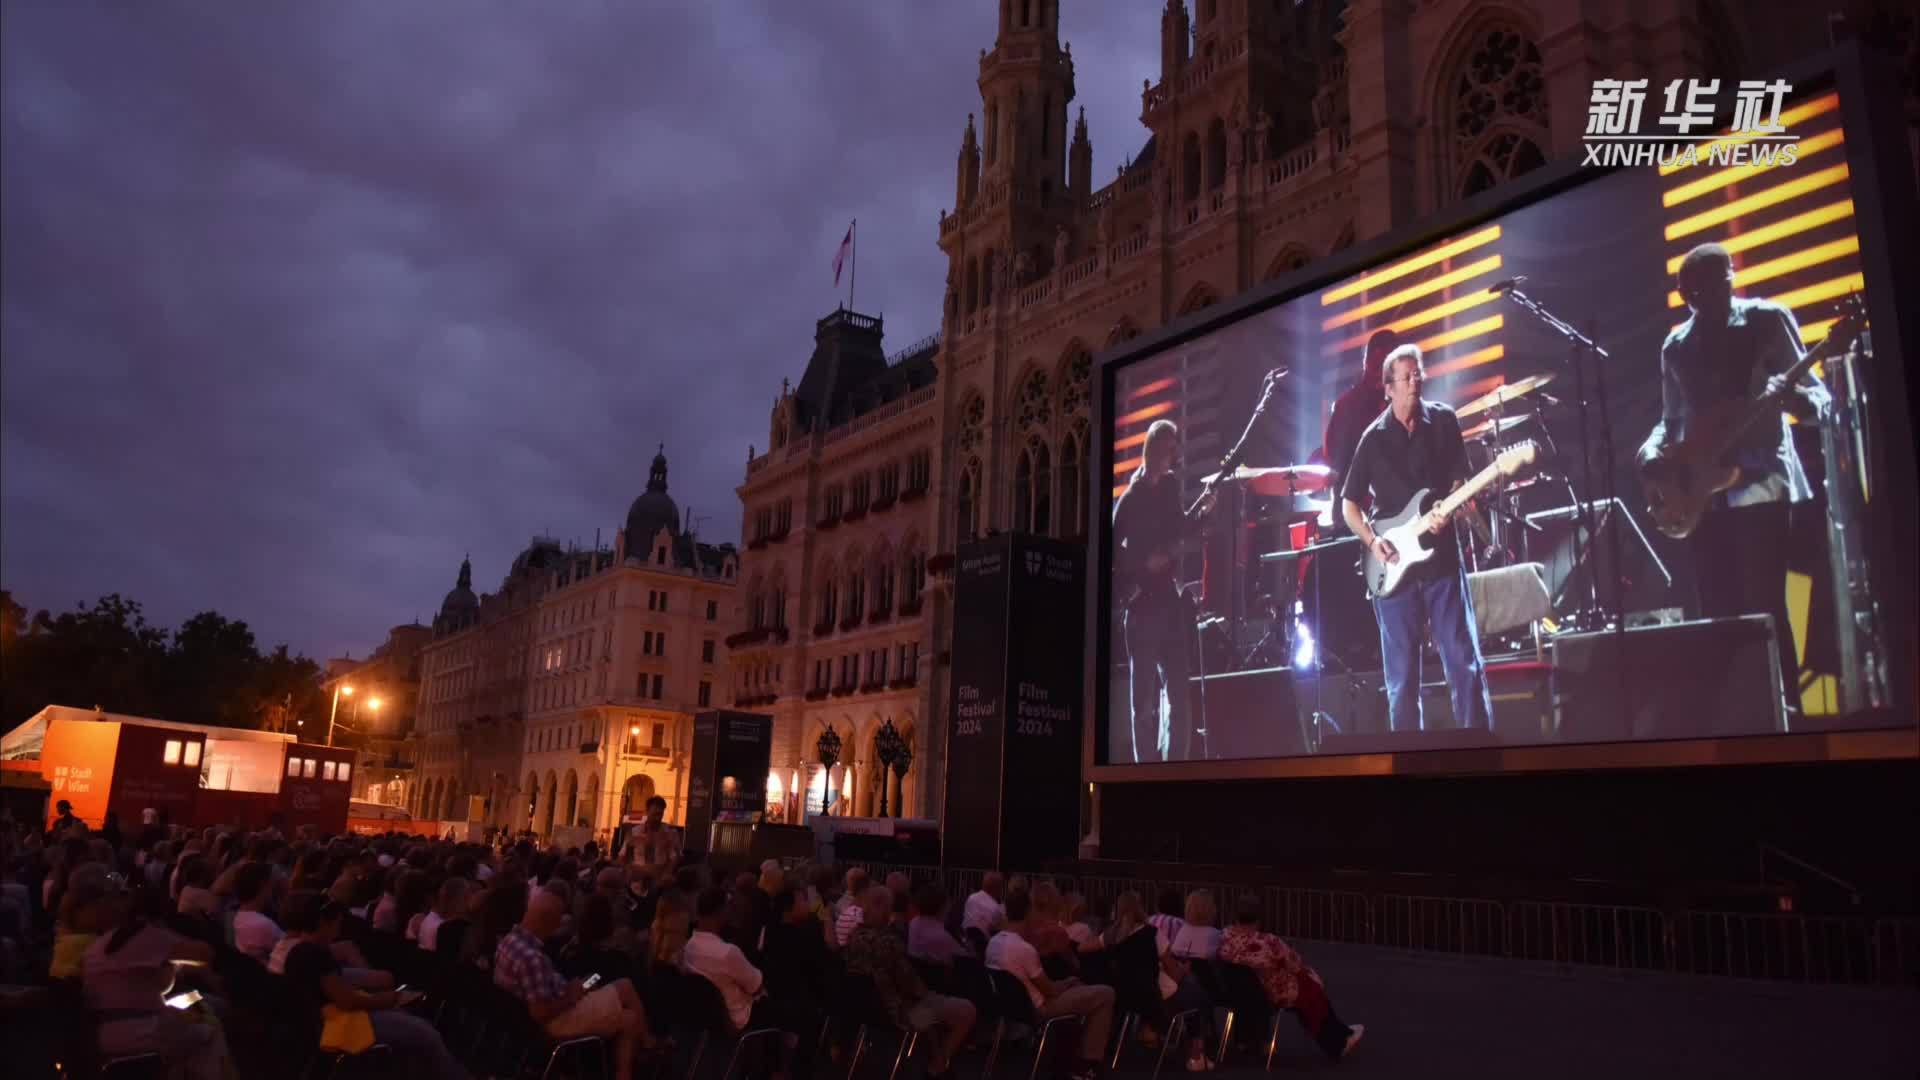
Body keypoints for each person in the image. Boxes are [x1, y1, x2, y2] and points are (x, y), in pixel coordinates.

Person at [1637, 241, 1835, 690]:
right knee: (1716, 616)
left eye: (1715, 286)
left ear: (1730, 278)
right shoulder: (1676, 346)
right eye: (1696, 294)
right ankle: (1737, 723)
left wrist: (1794, 399)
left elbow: (1820, 400)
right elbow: (1670, 423)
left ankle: (1786, 725)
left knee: (1764, 610)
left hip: (1763, 485)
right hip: (1704, 497)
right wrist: (1649, 453)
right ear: (1685, 294)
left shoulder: (1768, 320)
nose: (1707, 300)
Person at [1340, 342, 1495, 731]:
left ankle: (1479, 751)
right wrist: (1374, 542)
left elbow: (1459, 477)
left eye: (1418, 374)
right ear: (1388, 388)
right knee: (1403, 681)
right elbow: (1348, 505)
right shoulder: (1372, 438)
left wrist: (1455, 503)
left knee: (1463, 662)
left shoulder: (1443, 421)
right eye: (1406, 377)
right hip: (1394, 572)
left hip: (1441, 561)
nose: (1415, 382)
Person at [1112, 418, 1215, 762]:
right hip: (1142, 609)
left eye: (1175, 449)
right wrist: (1140, 571)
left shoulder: (1170, 487)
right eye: (1169, 448)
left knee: (1179, 695)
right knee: (1142, 703)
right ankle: (1145, 774)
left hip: (1170, 606)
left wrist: (1202, 512)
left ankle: (1174, 768)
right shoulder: (1130, 498)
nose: (1174, 456)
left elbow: (1181, 527)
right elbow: (1111, 551)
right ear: (1154, 449)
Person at [496, 889, 658, 1080]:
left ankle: (627, 1070)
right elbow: (596, 978)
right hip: (561, 1016)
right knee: (625, 987)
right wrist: (575, 992)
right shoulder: (613, 958)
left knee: (630, 1018)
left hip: (547, 1012)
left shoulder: (528, 944)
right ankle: (648, 1044)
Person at [846, 886, 976, 1080]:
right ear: (882, 908)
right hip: (898, 1011)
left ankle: (937, 1062)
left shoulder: (853, 939)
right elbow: (911, 984)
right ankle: (938, 1067)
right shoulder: (888, 943)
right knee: (967, 1010)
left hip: (866, 1008)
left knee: (932, 1011)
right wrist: (930, 996)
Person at [985, 890, 1115, 1080]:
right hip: (1040, 1007)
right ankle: (1087, 1064)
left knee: (1083, 990)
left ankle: (1075, 1061)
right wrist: (1067, 984)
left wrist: (1065, 983)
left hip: (1016, 1006)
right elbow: (1050, 991)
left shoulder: (994, 943)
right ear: (1028, 912)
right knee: (1106, 993)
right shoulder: (1023, 948)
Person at [1217, 894, 1362, 1062]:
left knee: (1308, 989)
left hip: (1238, 993)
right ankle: (1337, 1042)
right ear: (1259, 917)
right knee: (1310, 987)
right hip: (1270, 993)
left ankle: (1339, 1035)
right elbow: (1295, 963)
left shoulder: (1225, 936)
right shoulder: (1269, 942)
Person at [623, 796, 681, 871]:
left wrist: (667, 873)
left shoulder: (669, 833)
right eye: (655, 814)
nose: (658, 818)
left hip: (659, 874)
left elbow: (675, 858)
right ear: (647, 812)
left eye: (660, 814)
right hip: (637, 874)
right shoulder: (634, 832)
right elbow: (623, 857)